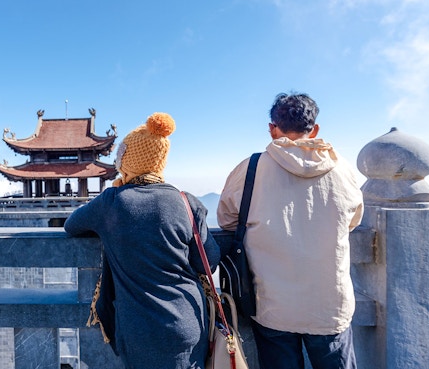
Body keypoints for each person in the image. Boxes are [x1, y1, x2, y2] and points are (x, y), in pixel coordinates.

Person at [217, 92, 364, 369]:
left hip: (272, 303)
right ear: (315, 129)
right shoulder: (343, 170)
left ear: (273, 129)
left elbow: (226, 219)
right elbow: (352, 220)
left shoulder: (250, 168)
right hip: (329, 304)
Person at [65, 112, 221, 369]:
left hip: (139, 330)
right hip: (189, 320)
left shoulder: (112, 202)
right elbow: (208, 262)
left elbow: (71, 225)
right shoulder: (186, 201)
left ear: (127, 160)